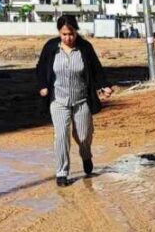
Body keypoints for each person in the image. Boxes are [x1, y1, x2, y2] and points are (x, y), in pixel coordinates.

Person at [35, 15, 114, 187]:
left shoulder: (85, 48)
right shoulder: (50, 47)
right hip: (58, 100)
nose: (68, 38)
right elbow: (41, 68)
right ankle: (62, 172)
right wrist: (43, 86)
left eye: (71, 34)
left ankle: (86, 155)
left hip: (81, 99)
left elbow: (96, 69)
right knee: (61, 135)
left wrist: (104, 85)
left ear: (76, 31)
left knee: (84, 135)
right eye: (64, 34)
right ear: (59, 33)